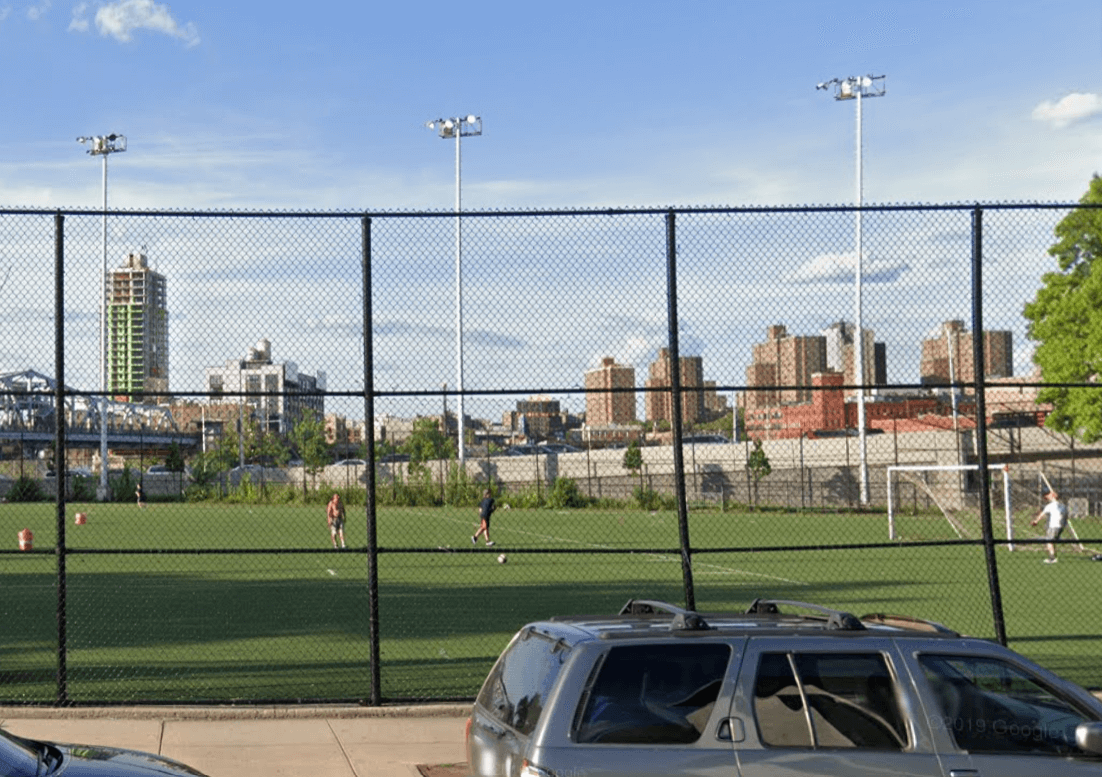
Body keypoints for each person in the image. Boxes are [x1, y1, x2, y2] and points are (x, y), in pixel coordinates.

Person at [1031, 489, 1068, 564]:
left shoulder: (1050, 506)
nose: (1047, 497)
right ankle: (1053, 556)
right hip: (1060, 526)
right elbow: (1065, 516)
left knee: (1049, 542)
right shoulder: (1063, 506)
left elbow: (1042, 515)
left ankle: (1052, 558)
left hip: (1053, 526)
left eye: (1049, 495)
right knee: (1052, 541)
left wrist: (1036, 521)